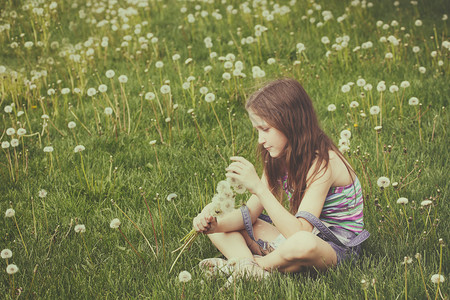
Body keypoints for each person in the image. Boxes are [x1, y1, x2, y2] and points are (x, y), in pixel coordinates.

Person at [192, 78, 369, 278]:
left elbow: (299, 233)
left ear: (290, 123)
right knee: (217, 215)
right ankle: (249, 268)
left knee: (305, 243)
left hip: (333, 249)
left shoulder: (325, 164)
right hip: (293, 240)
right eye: (257, 130)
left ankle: (250, 266)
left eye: (265, 129)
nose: (260, 140)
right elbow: (250, 215)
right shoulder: (277, 156)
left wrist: (259, 188)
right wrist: (216, 225)